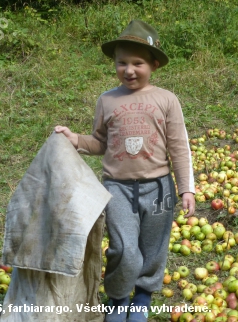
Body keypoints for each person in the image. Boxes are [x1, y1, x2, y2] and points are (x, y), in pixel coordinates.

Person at [55, 19, 195, 322]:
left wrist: (186, 188)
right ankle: (118, 299)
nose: (129, 70)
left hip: (159, 188)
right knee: (123, 248)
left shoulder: (166, 100)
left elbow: (179, 147)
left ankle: (142, 297)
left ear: (154, 64)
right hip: (117, 188)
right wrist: (74, 139)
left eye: (138, 63)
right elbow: (100, 143)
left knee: (153, 247)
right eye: (122, 63)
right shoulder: (107, 100)